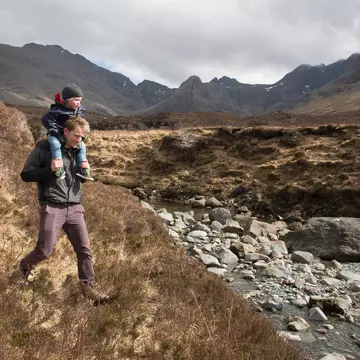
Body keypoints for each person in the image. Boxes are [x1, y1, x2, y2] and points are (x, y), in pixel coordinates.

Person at [19, 116, 108, 303]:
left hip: (75, 207)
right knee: (44, 251)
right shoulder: (45, 147)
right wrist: (50, 171)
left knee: (84, 250)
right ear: (65, 131)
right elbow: (26, 174)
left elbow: (77, 178)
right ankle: (24, 267)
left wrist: (85, 172)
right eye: (76, 135)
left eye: (82, 137)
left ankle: (89, 289)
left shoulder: (78, 151)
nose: (79, 140)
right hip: (52, 206)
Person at [42, 83, 94, 181]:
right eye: (76, 100)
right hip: (55, 134)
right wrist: (56, 133)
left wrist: (81, 136)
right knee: (55, 144)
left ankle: (83, 169)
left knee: (82, 146)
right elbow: (46, 120)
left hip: (70, 136)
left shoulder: (79, 111)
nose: (79, 103)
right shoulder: (57, 110)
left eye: (80, 100)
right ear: (67, 100)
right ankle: (58, 168)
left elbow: (81, 124)